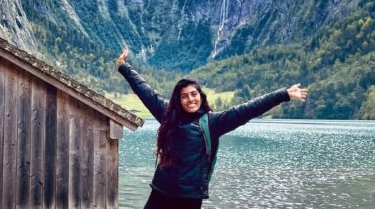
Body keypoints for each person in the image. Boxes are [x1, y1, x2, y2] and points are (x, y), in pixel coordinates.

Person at [116, 48, 308, 209]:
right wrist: (124, 68)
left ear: (201, 96)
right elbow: (145, 91)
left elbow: (249, 109)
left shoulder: (213, 122)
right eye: (185, 96)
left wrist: (284, 94)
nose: (190, 99)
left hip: (189, 197)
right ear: (179, 100)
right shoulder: (168, 115)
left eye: (194, 94)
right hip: (161, 190)